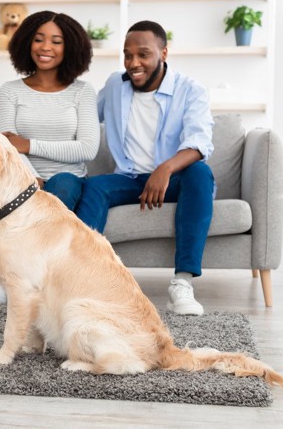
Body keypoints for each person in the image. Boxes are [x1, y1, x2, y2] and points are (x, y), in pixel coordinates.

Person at [75, 20, 215, 316]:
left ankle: (182, 283)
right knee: (95, 186)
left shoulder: (190, 90)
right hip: (129, 178)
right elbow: (84, 118)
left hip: (173, 179)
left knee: (200, 173)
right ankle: (81, 280)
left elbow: (199, 143)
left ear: (163, 53)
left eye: (143, 54)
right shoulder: (115, 85)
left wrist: (164, 169)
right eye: (127, 55)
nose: (133, 63)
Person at [0, 10, 100, 305]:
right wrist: (30, 176)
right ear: (26, 43)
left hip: (68, 179)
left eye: (56, 41)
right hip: (21, 178)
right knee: (26, 196)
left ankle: (15, 280)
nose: (46, 47)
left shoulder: (82, 92)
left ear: (70, 47)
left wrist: (29, 144)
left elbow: (87, 148)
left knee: (61, 185)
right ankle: (15, 279)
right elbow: (5, 149)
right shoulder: (10, 92)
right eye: (39, 39)